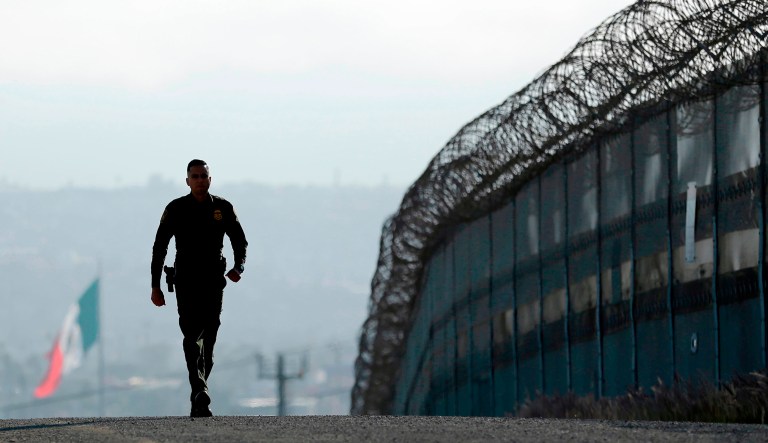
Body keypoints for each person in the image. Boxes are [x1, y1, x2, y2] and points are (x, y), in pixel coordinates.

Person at [150, 159, 248, 417]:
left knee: (210, 341)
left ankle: (198, 392)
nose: (200, 180)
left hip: (214, 281)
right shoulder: (176, 208)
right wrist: (155, 286)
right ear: (187, 181)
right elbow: (159, 247)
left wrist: (239, 267)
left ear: (210, 179)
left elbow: (240, 240)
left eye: (203, 176)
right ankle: (200, 390)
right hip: (186, 281)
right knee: (192, 336)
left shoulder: (223, 208)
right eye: (195, 176)